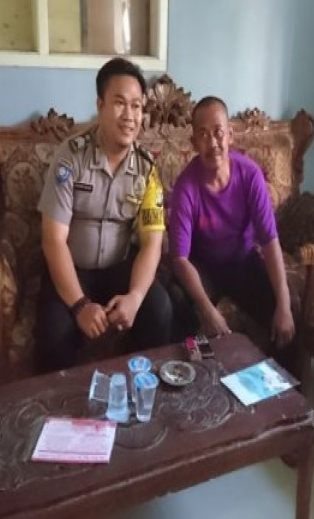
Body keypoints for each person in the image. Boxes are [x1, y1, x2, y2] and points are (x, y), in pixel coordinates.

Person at [35, 57, 174, 372]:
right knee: (53, 332)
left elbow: (152, 243)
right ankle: (58, 401)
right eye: (120, 103)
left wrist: (135, 297)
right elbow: (53, 240)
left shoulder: (147, 169)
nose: (130, 116)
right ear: (100, 105)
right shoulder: (71, 157)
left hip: (118, 269)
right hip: (72, 269)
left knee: (159, 309)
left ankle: (142, 389)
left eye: (137, 106)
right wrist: (80, 305)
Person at [169, 96, 296, 356]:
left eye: (218, 132)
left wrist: (283, 304)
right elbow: (180, 258)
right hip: (202, 264)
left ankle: (277, 381)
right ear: (194, 143)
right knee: (177, 304)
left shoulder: (249, 174)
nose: (213, 143)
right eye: (203, 135)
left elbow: (269, 240)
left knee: (288, 307)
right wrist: (208, 310)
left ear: (230, 136)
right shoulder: (186, 186)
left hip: (242, 261)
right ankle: (198, 374)